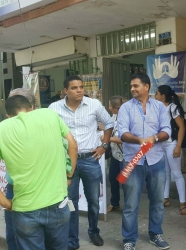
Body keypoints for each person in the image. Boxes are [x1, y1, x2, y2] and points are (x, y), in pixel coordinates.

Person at [0, 95, 78, 250]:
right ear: (32, 108)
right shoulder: (49, 115)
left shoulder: (3, 128)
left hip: (25, 208)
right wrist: (69, 176)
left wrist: (4, 202)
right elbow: (73, 146)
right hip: (58, 203)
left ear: (8, 115)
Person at [49, 75, 114, 250]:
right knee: (70, 201)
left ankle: (93, 231)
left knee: (93, 200)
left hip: (90, 160)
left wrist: (104, 146)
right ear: (65, 91)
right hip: (67, 163)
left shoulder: (94, 105)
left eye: (81, 87)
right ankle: (72, 238)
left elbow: (108, 123)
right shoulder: (54, 108)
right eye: (74, 88)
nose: (79, 90)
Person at [117, 73, 171, 250]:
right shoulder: (125, 108)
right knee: (131, 204)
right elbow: (122, 133)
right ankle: (129, 240)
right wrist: (140, 140)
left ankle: (155, 233)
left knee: (157, 201)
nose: (132, 89)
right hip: (133, 161)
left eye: (136, 86)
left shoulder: (160, 107)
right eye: (131, 86)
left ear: (146, 87)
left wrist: (153, 138)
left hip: (156, 160)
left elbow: (167, 131)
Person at [4, 88, 36, 250]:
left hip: (42, 191)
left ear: (32, 108)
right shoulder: (5, 131)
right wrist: (5, 202)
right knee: (13, 236)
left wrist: (68, 179)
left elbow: (70, 147)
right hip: (14, 190)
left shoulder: (45, 128)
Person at [154, 85, 186, 215]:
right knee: (165, 172)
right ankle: (165, 198)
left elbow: (182, 128)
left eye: (157, 94)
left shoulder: (172, 108)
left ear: (162, 96)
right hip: (161, 145)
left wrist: (178, 146)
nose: (155, 96)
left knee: (176, 173)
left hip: (171, 144)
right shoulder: (157, 108)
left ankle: (183, 203)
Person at [104, 95, 124, 212]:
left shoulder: (125, 118)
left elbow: (122, 139)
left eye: (109, 105)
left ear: (113, 107)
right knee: (112, 178)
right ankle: (114, 203)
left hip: (126, 157)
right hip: (116, 155)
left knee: (125, 181)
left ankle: (130, 206)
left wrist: (107, 138)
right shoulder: (114, 116)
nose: (108, 107)